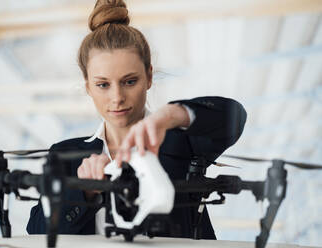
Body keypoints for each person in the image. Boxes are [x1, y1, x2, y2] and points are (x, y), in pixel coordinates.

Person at [26, 0, 247, 239]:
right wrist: (82, 192)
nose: (117, 97)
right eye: (103, 85)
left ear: (149, 76)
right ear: (88, 86)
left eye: (129, 81)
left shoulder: (184, 141)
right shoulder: (64, 155)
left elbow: (233, 117)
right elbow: (38, 232)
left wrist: (171, 115)